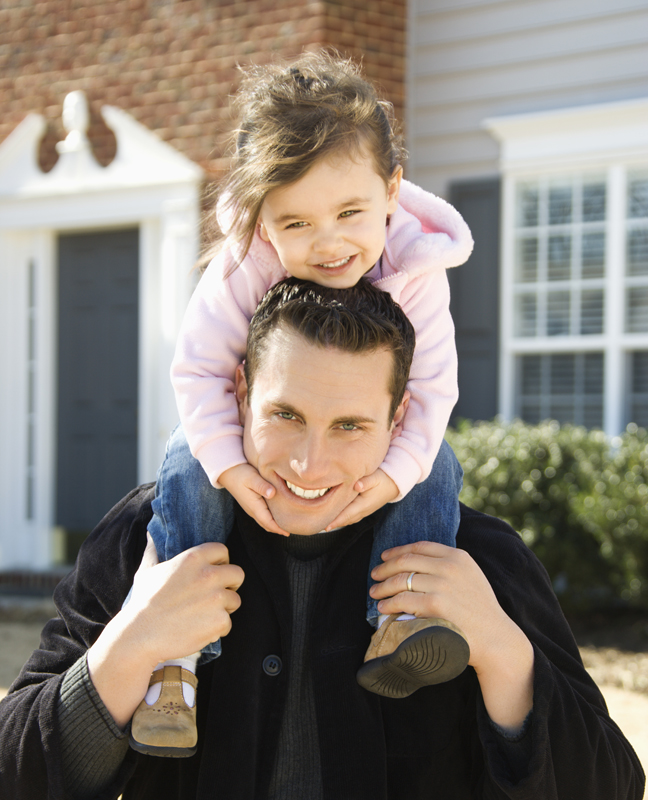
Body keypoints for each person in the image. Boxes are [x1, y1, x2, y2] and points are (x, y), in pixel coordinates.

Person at [0, 279, 644, 800]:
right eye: (286, 415)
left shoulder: (475, 557)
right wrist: (129, 647)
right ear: (242, 393)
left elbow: (613, 786)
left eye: (349, 426)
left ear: (397, 423)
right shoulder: (146, 539)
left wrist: (503, 652)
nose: (310, 465)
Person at [135, 51, 474, 754]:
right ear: (264, 220)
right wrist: (234, 472)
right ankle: (174, 659)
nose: (328, 244)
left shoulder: (414, 268)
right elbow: (198, 370)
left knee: (433, 463)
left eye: (351, 212)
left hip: (376, 446)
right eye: (296, 224)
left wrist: (386, 479)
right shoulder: (245, 261)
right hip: (252, 433)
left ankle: (400, 621)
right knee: (185, 460)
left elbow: (434, 391)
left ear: (392, 190)